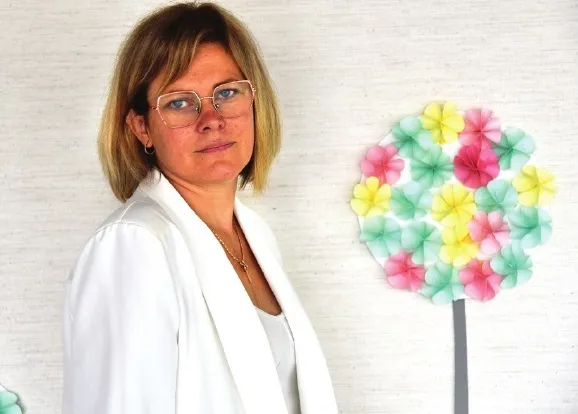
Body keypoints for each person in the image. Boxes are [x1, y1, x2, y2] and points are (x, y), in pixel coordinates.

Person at [61, 2, 338, 414]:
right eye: (179, 102)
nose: (211, 118)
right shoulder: (133, 245)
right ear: (141, 127)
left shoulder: (256, 235)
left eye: (227, 93)